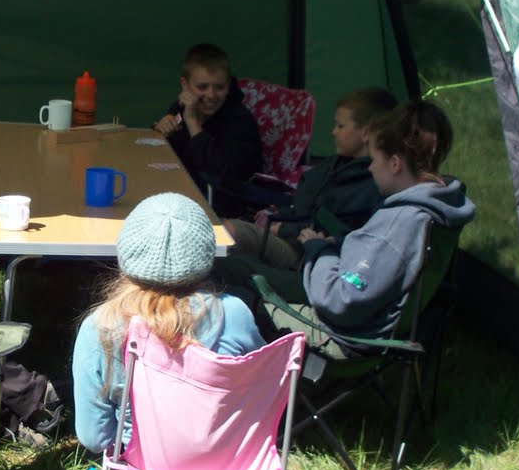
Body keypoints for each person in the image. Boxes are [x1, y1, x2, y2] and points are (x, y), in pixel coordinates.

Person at [262, 100, 475, 356]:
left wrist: (317, 251)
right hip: (368, 320)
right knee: (243, 266)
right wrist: (338, 246)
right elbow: (374, 268)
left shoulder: (399, 223)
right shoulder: (438, 205)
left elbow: (341, 300)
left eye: (374, 160)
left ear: (395, 164)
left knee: (237, 292)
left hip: (343, 336)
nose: (371, 167)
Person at [72, 193, 265, 455]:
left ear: (128, 251)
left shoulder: (101, 327)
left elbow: (93, 437)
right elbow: (258, 389)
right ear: (205, 253)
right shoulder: (235, 314)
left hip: (140, 465)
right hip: (229, 459)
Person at [223, 86, 398, 270]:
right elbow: (303, 202)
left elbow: (335, 232)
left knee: (234, 232)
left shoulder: (369, 185)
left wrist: (284, 229)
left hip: (305, 256)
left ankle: (207, 265)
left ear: (366, 133)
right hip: (287, 234)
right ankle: (210, 266)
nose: (333, 132)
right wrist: (281, 215)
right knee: (215, 227)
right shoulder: (333, 164)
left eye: (340, 126)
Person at [153, 43, 263, 218]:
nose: (211, 95)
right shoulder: (181, 107)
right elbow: (166, 155)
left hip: (227, 208)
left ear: (229, 85)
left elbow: (222, 175)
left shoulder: (241, 121)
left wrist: (193, 123)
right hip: (184, 195)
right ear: (185, 85)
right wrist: (161, 131)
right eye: (202, 87)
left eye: (219, 87)